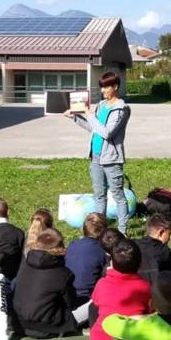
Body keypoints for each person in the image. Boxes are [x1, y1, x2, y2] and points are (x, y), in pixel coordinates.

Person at [64, 72, 132, 235]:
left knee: (118, 196)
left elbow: (107, 132)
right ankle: (99, 230)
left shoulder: (121, 109)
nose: (103, 90)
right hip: (95, 157)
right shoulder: (101, 106)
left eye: (106, 87)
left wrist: (88, 114)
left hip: (111, 159)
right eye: (101, 87)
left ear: (115, 87)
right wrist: (75, 118)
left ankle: (122, 231)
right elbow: (93, 129)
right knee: (99, 195)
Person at [89, 239, 151, 340]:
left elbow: (94, 305)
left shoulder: (102, 284)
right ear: (140, 264)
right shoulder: (145, 288)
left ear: (111, 262)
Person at [11, 228, 79, 339]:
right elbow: (71, 304)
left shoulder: (25, 263)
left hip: (19, 323)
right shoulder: (63, 274)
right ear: (60, 247)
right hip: (47, 328)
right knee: (90, 305)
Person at [65, 213, 108, 303]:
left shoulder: (72, 245)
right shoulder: (102, 251)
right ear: (104, 232)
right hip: (87, 299)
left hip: (68, 295)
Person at [135, 214, 171, 285]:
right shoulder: (164, 252)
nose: (170, 238)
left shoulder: (135, 245)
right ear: (161, 232)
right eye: (169, 234)